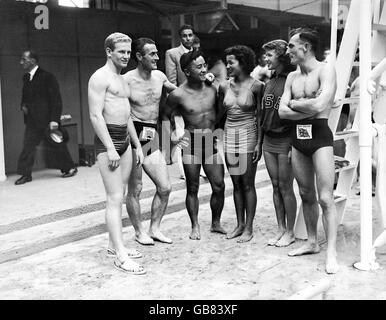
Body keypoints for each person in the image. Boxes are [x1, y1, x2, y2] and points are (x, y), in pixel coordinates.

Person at [278, 27, 339, 274]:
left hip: (320, 137)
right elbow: (282, 112)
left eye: (291, 46)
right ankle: (312, 242)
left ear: (306, 47)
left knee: (325, 197)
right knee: (305, 193)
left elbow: (321, 104)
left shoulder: (326, 70)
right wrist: (305, 105)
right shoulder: (292, 78)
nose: (288, 50)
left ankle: (331, 252)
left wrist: (295, 103)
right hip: (298, 138)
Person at [88, 32, 145, 275]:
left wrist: (137, 145)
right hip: (107, 142)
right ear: (109, 51)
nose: (126, 56)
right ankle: (120, 256)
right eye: (121, 51)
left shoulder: (122, 80)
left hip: (124, 139)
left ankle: (115, 245)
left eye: (128, 52)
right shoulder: (99, 78)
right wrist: (110, 147)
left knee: (120, 195)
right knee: (113, 198)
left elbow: (127, 114)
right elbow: (95, 115)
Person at [164, 50, 226, 240]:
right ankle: (195, 226)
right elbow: (164, 116)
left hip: (211, 143)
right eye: (198, 66)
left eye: (204, 65)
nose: (203, 69)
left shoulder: (212, 88)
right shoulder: (177, 94)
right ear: (186, 71)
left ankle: (216, 223)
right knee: (193, 188)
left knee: (219, 186)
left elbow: (223, 105)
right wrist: (173, 137)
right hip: (191, 144)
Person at [123, 38, 176, 245]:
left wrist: (203, 80)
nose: (157, 57)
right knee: (135, 188)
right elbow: (122, 113)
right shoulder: (126, 80)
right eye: (152, 54)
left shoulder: (160, 77)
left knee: (165, 187)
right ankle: (139, 232)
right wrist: (134, 145)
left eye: (157, 53)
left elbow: (180, 92)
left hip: (149, 134)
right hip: (132, 134)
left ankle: (154, 228)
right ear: (139, 56)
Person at [218, 45, 264, 243]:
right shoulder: (223, 86)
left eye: (231, 62)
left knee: (247, 184)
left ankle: (249, 227)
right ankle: (239, 224)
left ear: (243, 63)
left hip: (248, 138)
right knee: (235, 183)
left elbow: (260, 117)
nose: (227, 66)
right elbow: (220, 114)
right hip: (230, 138)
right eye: (226, 62)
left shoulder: (257, 86)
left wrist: (258, 144)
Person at [15, 50, 78, 185]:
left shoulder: (47, 77)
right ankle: (26, 175)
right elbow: (25, 96)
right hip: (32, 121)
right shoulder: (26, 77)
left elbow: (56, 99)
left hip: (47, 120)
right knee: (28, 146)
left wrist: (54, 119)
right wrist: (23, 105)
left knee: (56, 144)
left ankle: (70, 168)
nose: (21, 62)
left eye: (23, 59)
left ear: (32, 61)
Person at [261, 40, 297, 247]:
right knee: (275, 186)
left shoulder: (292, 80)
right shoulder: (269, 82)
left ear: (281, 57)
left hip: (285, 140)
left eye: (269, 55)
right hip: (269, 140)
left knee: (285, 187)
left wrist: (293, 144)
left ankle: (290, 232)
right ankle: (281, 228)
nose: (266, 59)